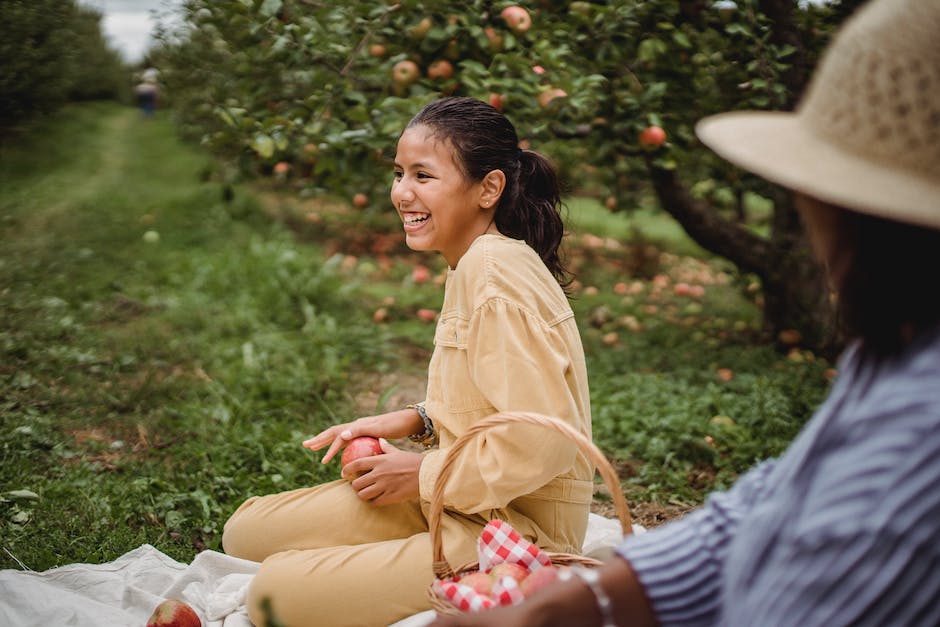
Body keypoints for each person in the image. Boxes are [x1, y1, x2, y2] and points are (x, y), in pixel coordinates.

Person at [429, 0, 940, 625]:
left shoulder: (920, 436)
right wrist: (592, 599)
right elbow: (771, 500)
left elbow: (798, 603)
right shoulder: (895, 352)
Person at [222, 96, 595, 626]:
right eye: (399, 173)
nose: (402, 193)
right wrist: (414, 420)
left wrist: (422, 474)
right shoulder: (474, 260)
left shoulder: (492, 271)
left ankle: (383, 565)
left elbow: (543, 438)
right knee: (246, 530)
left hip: (514, 530)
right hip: (464, 500)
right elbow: (492, 398)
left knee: (271, 597)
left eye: (424, 175)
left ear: (488, 189)